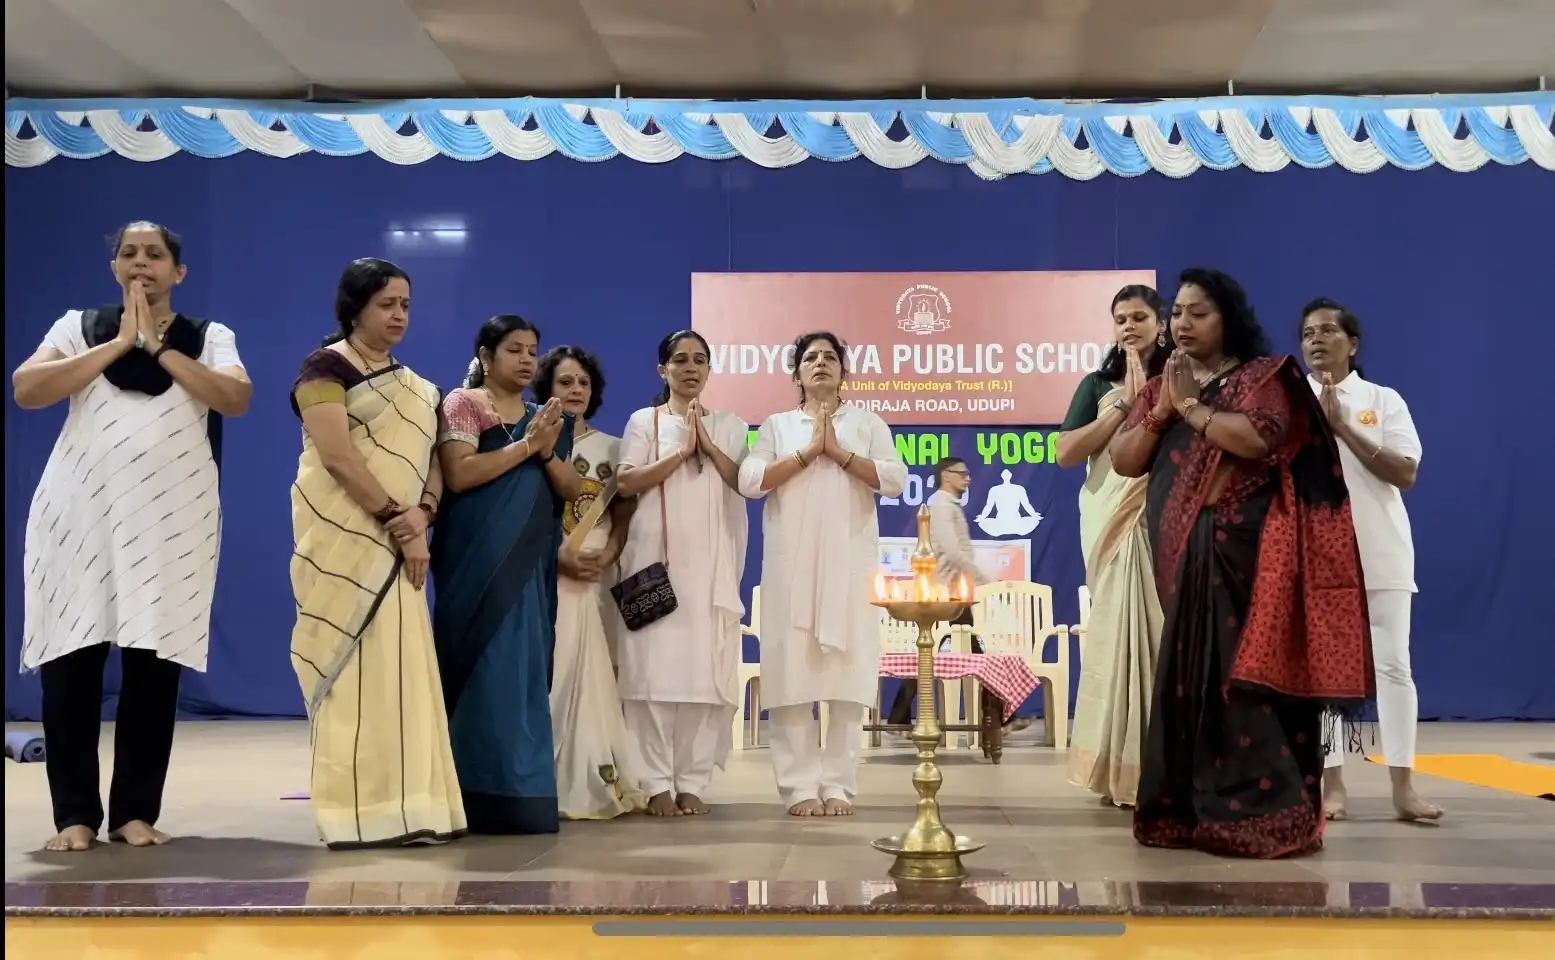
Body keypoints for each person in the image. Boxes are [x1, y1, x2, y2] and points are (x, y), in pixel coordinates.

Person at [1108, 268, 1374, 859]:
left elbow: (1260, 440)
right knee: (1188, 675)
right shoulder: (1163, 386)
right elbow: (1126, 461)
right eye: (1177, 312)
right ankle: (1185, 810)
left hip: (1246, 557)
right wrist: (1163, 411)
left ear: (1228, 317)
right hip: (1182, 560)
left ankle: (1265, 809)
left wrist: (1193, 409)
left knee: (1241, 675)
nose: (1182, 323)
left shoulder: (1262, 377)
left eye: (1197, 312)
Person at [14, 221, 251, 854]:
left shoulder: (209, 337)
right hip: (79, 519)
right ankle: (74, 817)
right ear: (114, 268)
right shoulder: (76, 326)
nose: (140, 262)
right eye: (129, 253)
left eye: (155, 254)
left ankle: (134, 813)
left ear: (179, 272)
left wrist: (158, 347)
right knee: (69, 671)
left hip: (171, 522)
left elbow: (235, 398)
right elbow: (27, 388)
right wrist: (119, 343)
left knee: (153, 671)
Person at [288, 257, 464, 850]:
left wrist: (424, 515)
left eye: (406, 305)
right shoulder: (324, 367)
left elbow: (436, 464)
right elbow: (337, 457)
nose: (398, 316)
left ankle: (414, 808)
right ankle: (352, 816)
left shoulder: (418, 388)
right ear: (356, 307)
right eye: (387, 304)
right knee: (354, 676)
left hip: (402, 550)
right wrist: (398, 521)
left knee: (404, 674)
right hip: (347, 547)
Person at [739, 331, 908, 818]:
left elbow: (894, 480)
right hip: (792, 569)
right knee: (791, 678)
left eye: (830, 357)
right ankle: (798, 788)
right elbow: (750, 481)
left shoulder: (868, 422)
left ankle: (838, 786)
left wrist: (839, 453)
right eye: (810, 358)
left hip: (848, 565)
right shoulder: (777, 425)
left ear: (844, 371)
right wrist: (806, 453)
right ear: (796, 374)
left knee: (848, 682)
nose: (820, 364)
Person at [432, 315, 581, 835]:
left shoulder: (548, 415)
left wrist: (544, 450)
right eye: (514, 349)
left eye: (532, 351)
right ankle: (469, 796)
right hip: (476, 567)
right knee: (483, 673)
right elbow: (459, 473)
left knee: (522, 676)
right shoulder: (463, 404)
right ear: (486, 354)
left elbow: (569, 487)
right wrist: (526, 447)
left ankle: (525, 796)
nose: (526, 360)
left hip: (529, 568)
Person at [1300, 298, 1442, 823]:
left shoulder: (1382, 400)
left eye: (1329, 330)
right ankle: (1332, 788)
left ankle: (1403, 788)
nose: (1316, 340)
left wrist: (1344, 428)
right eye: (1308, 333)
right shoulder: (1292, 404)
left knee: (1393, 667)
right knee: (1327, 675)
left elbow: (1404, 473)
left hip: (1380, 551)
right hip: (1318, 557)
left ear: (1352, 344)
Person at [615, 330, 750, 818]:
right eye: (679, 360)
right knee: (651, 677)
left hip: (710, 570)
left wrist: (707, 445)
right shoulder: (644, 421)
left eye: (699, 360)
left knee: (702, 678)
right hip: (654, 565)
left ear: (710, 370)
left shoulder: (731, 425)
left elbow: (743, 482)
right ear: (662, 370)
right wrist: (678, 451)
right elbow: (626, 481)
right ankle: (654, 783)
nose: (690, 368)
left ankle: (693, 781)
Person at [1057, 284, 1173, 808]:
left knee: (1162, 638)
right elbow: (1065, 453)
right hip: (1111, 519)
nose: (1130, 326)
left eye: (1140, 317)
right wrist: (1119, 409)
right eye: (1121, 318)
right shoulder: (1097, 383)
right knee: (1115, 639)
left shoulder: (1182, 378)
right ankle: (1114, 768)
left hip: (1166, 520)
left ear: (1161, 323)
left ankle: (1164, 768)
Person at [532, 344, 647, 820]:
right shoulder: (529, 440)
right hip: (542, 574)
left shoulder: (615, 449)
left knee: (596, 675)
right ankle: (541, 777)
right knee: (550, 673)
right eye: (565, 382)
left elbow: (622, 518)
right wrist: (556, 557)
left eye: (583, 382)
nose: (576, 390)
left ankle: (591, 776)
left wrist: (607, 557)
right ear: (547, 389)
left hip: (594, 577)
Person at [885, 457, 997, 729]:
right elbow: (952, 549)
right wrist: (982, 579)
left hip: (949, 591)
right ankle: (1000, 716)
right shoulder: (941, 507)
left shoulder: (944, 505)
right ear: (947, 476)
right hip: (943, 594)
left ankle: (898, 718)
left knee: (943, 653)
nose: (968, 479)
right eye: (963, 474)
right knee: (939, 653)